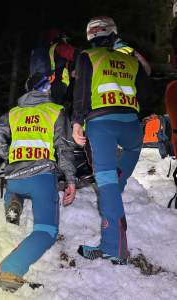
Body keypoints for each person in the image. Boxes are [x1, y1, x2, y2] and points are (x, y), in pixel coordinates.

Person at [71, 16, 151, 265]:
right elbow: (146, 92)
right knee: (131, 151)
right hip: (131, 125)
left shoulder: (88, 56)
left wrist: (77, 120)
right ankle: (116, 189)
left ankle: (113, 248)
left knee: (106, 185)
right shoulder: (130, 59)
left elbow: (82, 90)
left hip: (101, 124)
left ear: (90, 36)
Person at [0, 72, 76, 292]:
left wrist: (10, 156)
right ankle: (11, 268)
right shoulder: (56, 111)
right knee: (46, 231)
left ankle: (14, 200)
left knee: (18, 188)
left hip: (15, 178)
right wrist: (71, 179)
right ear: (45, 88)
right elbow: (64, 148)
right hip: (41, 177)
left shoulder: (14, 112)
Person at [46, 28, 80, 105]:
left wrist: (71, 74)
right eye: (64, 37)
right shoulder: (59, 46)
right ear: (59, 37)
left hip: (47, 86)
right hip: (57, 86)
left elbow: (56, 70)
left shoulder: (49, 50)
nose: (66, 40)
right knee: (57, 111)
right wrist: (91, 55)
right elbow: (74, 54)